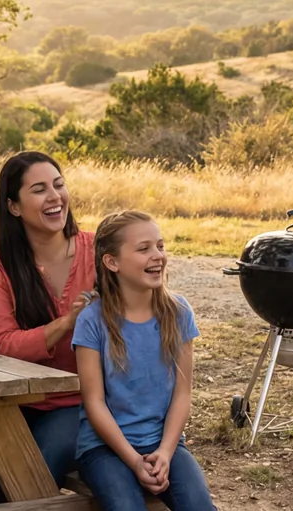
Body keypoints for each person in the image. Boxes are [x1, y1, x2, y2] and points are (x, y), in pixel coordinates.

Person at [0, 151, 96, 508]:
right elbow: (2, 344)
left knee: (29, 481)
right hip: (8, 400)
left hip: (81, 403)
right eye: (39, 189)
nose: (54, 197)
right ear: (14, 207)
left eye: (59, 185)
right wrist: (66, 324)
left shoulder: (99, 251)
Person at [73, 211, 215, 511]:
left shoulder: (178, 313)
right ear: (112, 263)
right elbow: (94, 403)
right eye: (143, 249)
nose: (157, 256)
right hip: (104, 449)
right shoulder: (91, 322)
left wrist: (165, 451)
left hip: (165, 443)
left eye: (160, 246)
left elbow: (182, 393)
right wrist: (135, 460)